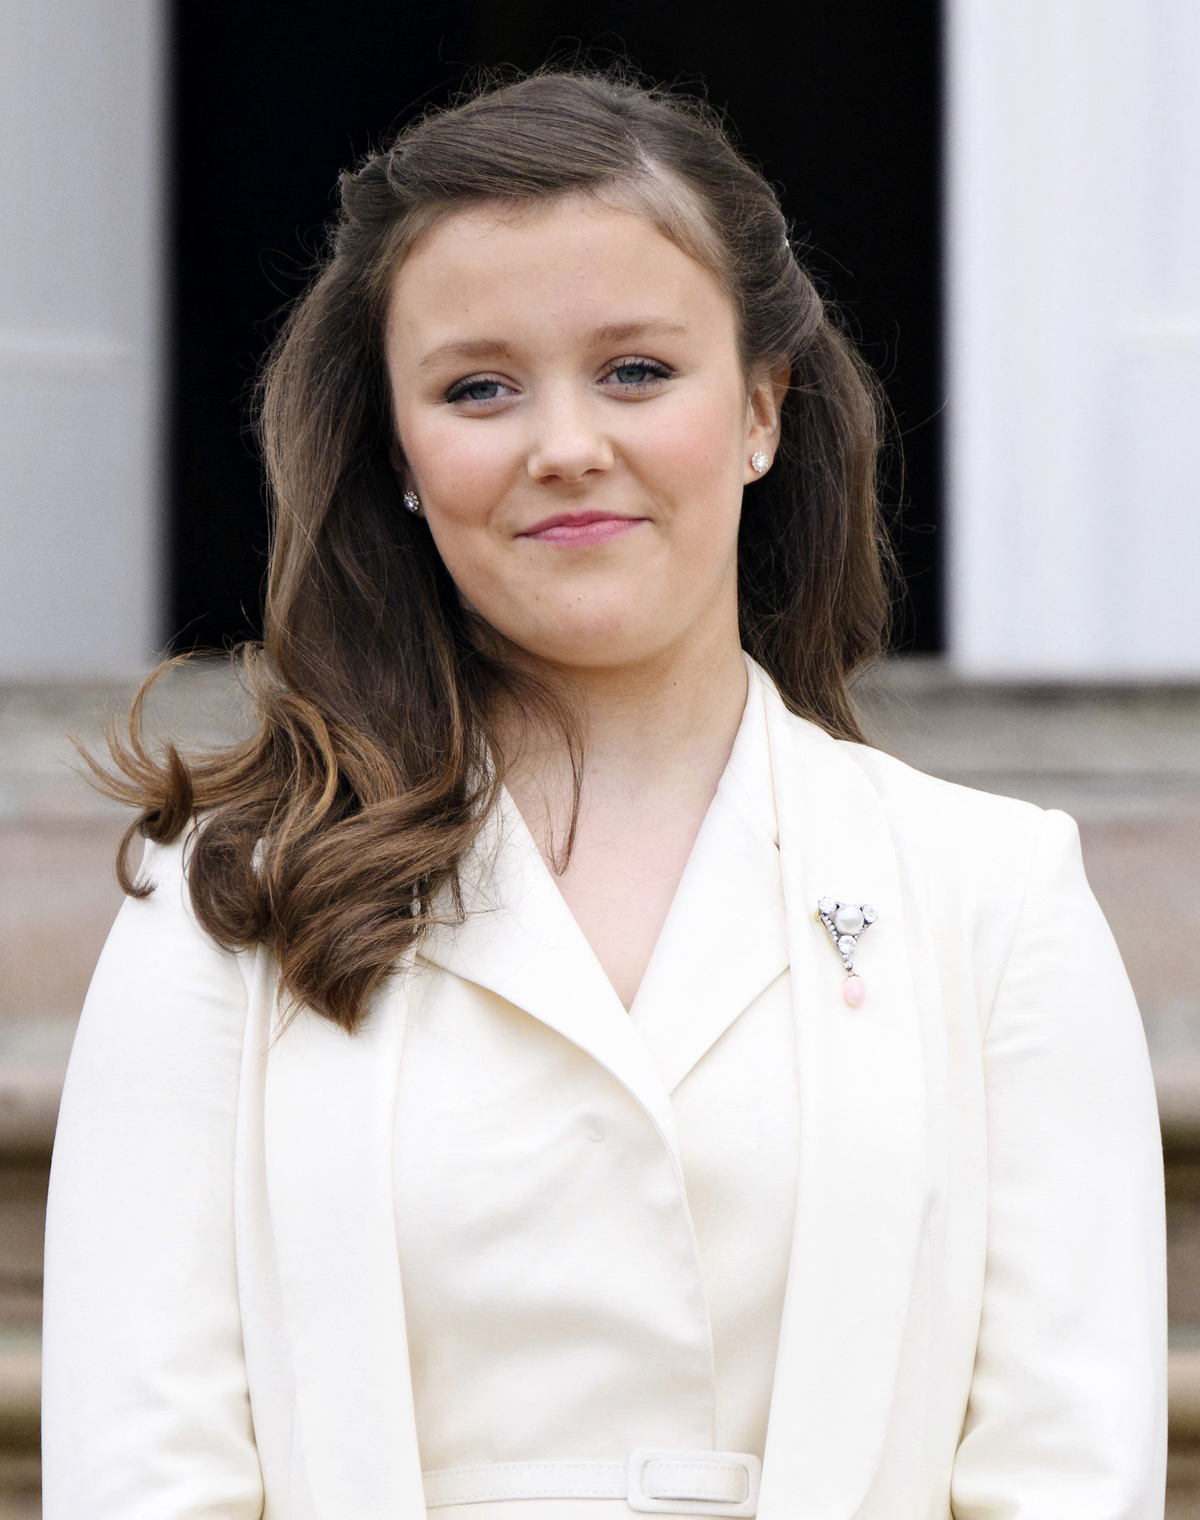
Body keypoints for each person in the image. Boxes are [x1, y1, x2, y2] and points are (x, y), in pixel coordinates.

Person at [41, 70, 1166, 1520]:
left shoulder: (993, 896)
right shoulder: (228, 907)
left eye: (637, 370)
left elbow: (1065, 1472)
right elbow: (147, 1472)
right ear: (397, 451)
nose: (564, 443)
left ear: (762, 407)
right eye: (478, 388)